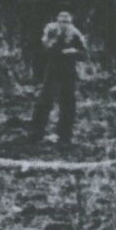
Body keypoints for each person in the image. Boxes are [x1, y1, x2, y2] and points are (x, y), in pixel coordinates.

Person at [31, 10, 89, 145]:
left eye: (67, 22)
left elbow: (84, 54)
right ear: (57, 20)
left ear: (71, 22)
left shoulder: (75, 33)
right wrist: (55, 43)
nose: (64, 25)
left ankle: (65, 136)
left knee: (68, 103)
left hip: (68, 72)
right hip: (53, 70)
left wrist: (74, 51)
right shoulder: (50, 30)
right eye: (62, 21)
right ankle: (36, 133)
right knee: (45, 101)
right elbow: (43, 48)